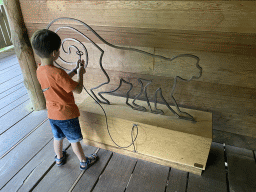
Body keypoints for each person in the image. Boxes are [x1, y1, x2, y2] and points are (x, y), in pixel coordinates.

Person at [31, 29, 98, 170]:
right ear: (55, 53)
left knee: (57, 137)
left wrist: (74, 70)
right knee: (74, 141)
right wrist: (80, 73)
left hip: (52, 114)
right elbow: (78, 89)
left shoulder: (39, 70)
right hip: (66, 114)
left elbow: (59, 81)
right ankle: (83, 161)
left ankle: (59, 158)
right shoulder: (58, 73)